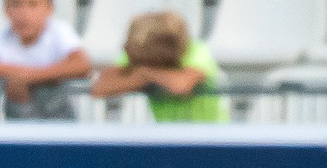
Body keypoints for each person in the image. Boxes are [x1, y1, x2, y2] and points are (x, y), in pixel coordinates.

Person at [89, 11, 225, 123]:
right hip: (168, 139)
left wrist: (143, 74)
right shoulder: (137, 56)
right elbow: (100, 87)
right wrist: (145, 76)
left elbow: (181, 86)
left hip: (210, 138)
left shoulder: (197, 50)